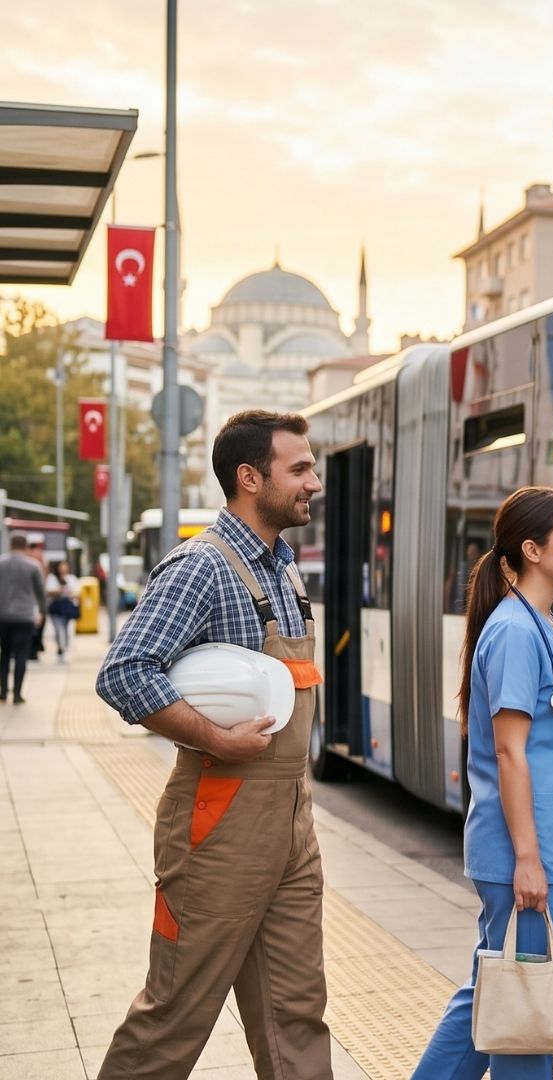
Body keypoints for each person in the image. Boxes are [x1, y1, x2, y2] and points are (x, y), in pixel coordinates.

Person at [96, 410, 331, 1078]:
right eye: (300, 469)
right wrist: (215, 740)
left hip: (291, 820)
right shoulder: (202, 566)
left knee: (296, 1012)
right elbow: (123, 672)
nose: (313, 480)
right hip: (217, 822)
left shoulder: (285, 569)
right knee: (176, 1014)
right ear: (250, 478)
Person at [416, 486, 553, 1080]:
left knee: (491, 994)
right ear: (531, 548)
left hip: (540, 844)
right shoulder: (517, 631)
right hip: (528, 849)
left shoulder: (537, 622)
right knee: (524, 1014)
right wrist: (528, 860)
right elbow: (510, 752)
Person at [0, 535, 45, 701]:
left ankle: (3, 691)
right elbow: (41, 593)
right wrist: (42, 612)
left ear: (10, 544)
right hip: (24, 617)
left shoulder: (1, 563)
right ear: (25, 546)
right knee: (21, 655)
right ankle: (17, 694)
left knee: (4, 653)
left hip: (3, 616)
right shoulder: (33, 566)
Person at [45, 557, 78, 663]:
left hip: (67, 608)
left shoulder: (71, 578)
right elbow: (48, 591)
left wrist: (70, 593)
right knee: (59, 630)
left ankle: (65, 649)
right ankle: (61, 649)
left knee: (67, 630)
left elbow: (76, 591)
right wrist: (59, 591)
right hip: (56, 608)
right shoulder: (52, 578)